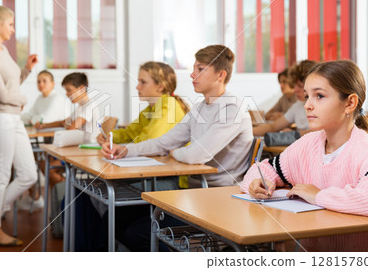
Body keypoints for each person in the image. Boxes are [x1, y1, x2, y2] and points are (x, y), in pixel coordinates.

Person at [102, 45, 254, 251]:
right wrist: (126, 150)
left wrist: (174, 152)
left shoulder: (232, 109)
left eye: (200, 69)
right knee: (115, 218)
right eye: (194, 68)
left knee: (137, 232)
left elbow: (196, 155)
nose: (192, 74)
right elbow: (165, 141)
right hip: (193, 193)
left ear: (220, 75)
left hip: (219, 198)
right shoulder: (201, 107)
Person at [241, 60, 368, 251]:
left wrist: (318, 195)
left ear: (350, 103)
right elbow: (265, 168)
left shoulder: (366, 149)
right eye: (307, 96)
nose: (307, 105)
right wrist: (259, 183)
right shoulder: (308, 144)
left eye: (319, 96)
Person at [74, 61, 190, 251]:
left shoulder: (169, 105)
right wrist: (108, 138)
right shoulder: (151, 110)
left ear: (159, 86)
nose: (137, 86)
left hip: (170, 181)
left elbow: (152, 139)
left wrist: (121, 146)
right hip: (149, 174)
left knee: (96, 197)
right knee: (102, 207)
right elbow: (130, 133)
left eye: (143, 82)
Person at [0, 3, 38, 246]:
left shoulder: (2, 50)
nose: (13, 30)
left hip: (13, 118)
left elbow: (12, 85)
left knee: (29, 174)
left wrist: (27, 70)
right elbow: (2, 95)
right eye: (10, 24)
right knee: (0, 176)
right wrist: (23, 101)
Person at [35, 72, 101, 186]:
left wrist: (68, 126)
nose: (67, 94)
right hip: (78, 150)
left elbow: (72, 128)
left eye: (69, 90)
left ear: (81, 88)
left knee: (49, 168)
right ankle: (68, 192)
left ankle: (72, 190)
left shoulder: (89, 106)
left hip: (87, 152)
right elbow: (64, 122)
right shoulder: (81, 107)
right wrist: (45, 125)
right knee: (43, 162)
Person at [18, 70, 66, 210]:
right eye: (38, 81)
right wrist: (34, 119)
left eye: (44, 81)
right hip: (49, 143)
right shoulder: (40, 98)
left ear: (53, 84)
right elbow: (29, 116)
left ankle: (62, 197)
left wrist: (34, 119)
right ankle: (35, 197)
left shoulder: (57, 98)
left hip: (62, 144)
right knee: (26, 157)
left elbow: (42, 120)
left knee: (41, 162)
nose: (41, 84)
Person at [253, 60, 317, 137]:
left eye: (300, 86)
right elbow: (273, 127)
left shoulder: (322, 106)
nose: (295, 90)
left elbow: (320, 132)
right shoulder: (298, 105)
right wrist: (247, 131)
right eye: (294, 85)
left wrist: (294, 134)